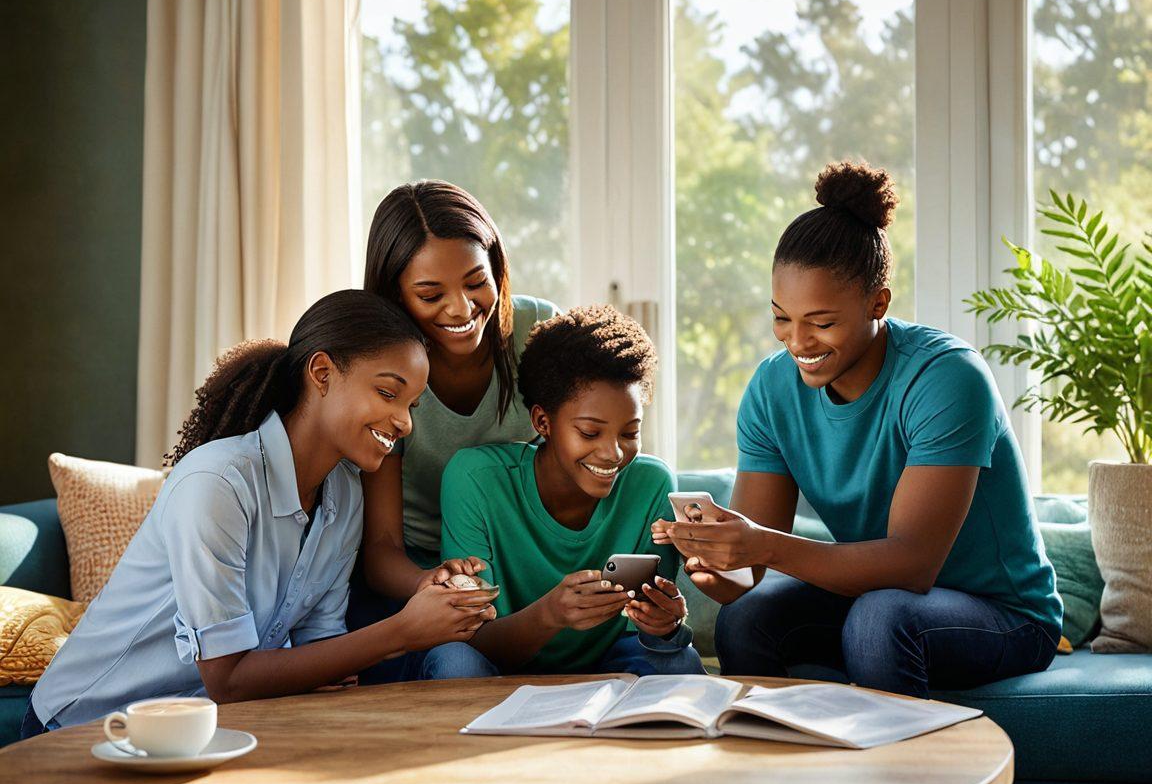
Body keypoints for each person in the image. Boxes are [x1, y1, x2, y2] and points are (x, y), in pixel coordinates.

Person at [654, 161, 1062, 698]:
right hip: (877, 597)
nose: (797, 342)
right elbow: (746, 578)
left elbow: (912, 565)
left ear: (878, 302)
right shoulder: (773, 390)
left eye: (821, 323)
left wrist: (762, 547)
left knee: (880, 620)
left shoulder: (946, 378)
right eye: (782, 318)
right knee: (747, 619)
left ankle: (900, 780)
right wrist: (720, 565)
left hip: (1003, 613)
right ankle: (768, 773)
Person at [23, 290, 495, 737]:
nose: (405, 422)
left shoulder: (346, 494)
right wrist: (403, 631)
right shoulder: (218, 483)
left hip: (202, 724)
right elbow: (228, 679)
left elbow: (320, 650)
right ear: (323, 374)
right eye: (389, 394)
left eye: (412, 404)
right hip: (85, 722)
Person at [423, 305, 706, 678]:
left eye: (629, 432)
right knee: (453, 662)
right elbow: (471, 637)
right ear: (543, 421)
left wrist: (665, 625)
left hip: (610, 664)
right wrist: (550, 614)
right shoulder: (476, 479)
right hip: (501, 661)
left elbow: (644, 639)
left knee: (680, 659)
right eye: (590, 432)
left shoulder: (651, 484)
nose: (614, 453)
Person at [349, 180, 558, 680]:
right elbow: (380, 548)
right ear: (395, 295)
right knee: (456, 666)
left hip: (514, 560)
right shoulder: (383, 366)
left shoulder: (536, 330)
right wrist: (431, 582)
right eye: (430, 294)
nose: (462, 309)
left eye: (475, 282)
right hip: (418, 574)